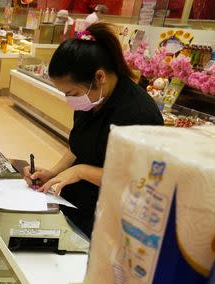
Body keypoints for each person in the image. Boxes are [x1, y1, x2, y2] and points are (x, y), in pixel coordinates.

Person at [23, 23, 163, 238]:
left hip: (112, 220)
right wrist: (54, 173)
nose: (70, 100)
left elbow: (139, 178)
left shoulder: (139, 113)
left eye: (72, 92)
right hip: (76, 208)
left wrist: (81, 171)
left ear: (99, 77)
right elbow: (78, 145)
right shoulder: (91, 100)